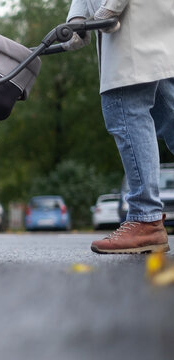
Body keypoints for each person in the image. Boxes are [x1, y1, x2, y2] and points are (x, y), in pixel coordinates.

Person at [62, 0, 173, 254]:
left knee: (124, 108)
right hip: (150, 22)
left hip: (134, 22)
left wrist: (113, 5)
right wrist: (77, 19)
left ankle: (146, 219)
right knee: (170, 115)